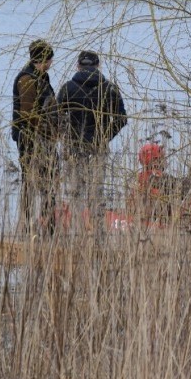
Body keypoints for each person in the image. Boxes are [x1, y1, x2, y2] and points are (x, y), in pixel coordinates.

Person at [57, 50, 127, 232]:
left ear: (78, 66)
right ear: (97, 66)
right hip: (98, 145)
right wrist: (105, 136)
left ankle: (77, 230)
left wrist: (66, 134)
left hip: (74, 145)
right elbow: (121, 118)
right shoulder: (109, 88)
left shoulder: (67, 88)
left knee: (75, 190)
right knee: (97, 190)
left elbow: (56, 117)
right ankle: (97, 230)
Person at [11, 39, 59, 235]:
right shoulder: (27, 80)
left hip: (45, 139)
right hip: (30, 139)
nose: (51, 63)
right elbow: (28, 114)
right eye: (50, 59)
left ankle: (47, 223)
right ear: (44, 59)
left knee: (50, 180)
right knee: (31, 181)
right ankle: (26, 224)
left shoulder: (40, 77)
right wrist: (48, 132)